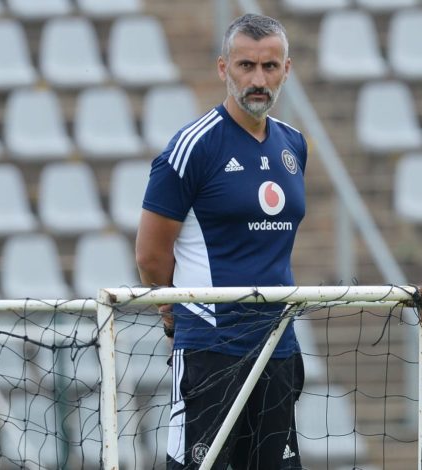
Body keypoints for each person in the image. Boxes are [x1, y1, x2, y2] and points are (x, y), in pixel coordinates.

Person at [135, 13, 307, 470]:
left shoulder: (294, 145)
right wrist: (175, 317)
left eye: (270, 67)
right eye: (245, 66)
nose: (258, 79)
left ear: (286, 70)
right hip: (211, 352)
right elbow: (150, 256)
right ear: (222, 68)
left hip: (277, 347)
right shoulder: (192, 147)